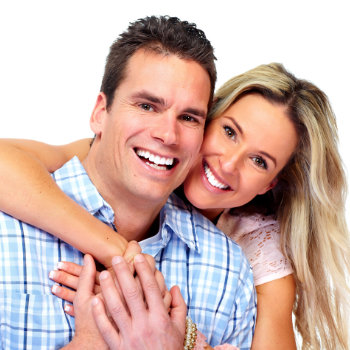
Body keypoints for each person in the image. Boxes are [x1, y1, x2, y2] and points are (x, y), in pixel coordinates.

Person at [1, 62, 350, 349]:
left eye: (259, 161)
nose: (228, 164)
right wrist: (125, 260)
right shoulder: (134, 159)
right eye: (229, 132)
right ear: (204, 119)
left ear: (270, 184)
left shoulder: (256, 249)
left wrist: (179, 334)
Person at [0, 15, 257, 349]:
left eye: (189, 117)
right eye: (147, 105)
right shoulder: (7, 229)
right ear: (99, 114)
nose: (167, 134)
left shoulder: (226, 271)